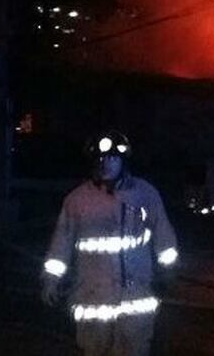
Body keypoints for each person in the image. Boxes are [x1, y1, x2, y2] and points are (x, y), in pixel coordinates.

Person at [41, 130, 178, 356]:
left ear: (122, 161)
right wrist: (51, 281)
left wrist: (168, 271)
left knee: (134, 349)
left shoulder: (145, 194)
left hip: (136, 298)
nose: (105, 163)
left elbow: (164, 235)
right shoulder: (77, 201)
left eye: (112, 158)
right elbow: (60, 245)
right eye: (100, 158)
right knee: (95, 349)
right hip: (93, 298)